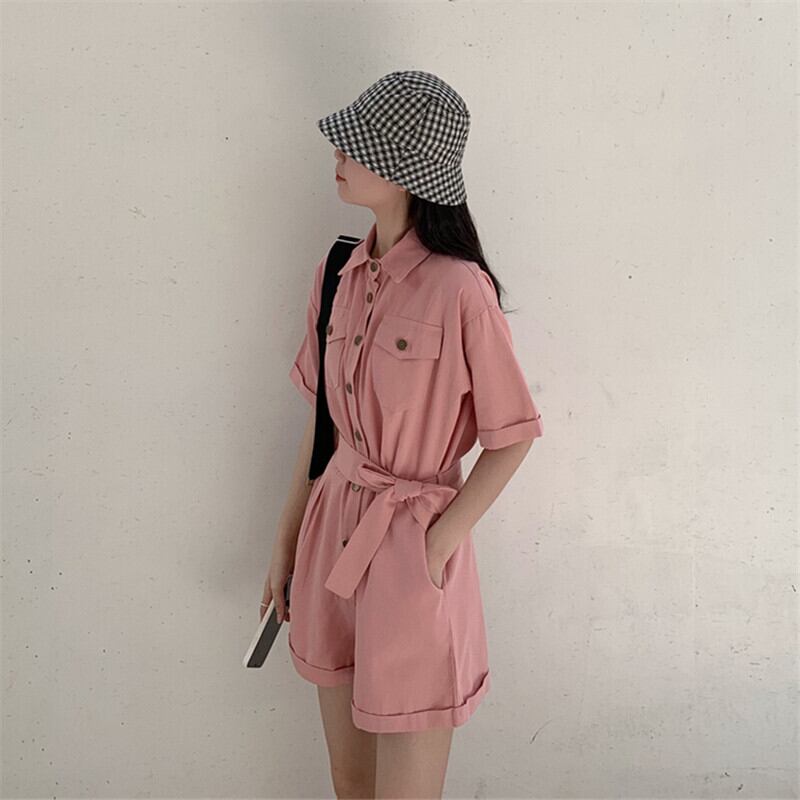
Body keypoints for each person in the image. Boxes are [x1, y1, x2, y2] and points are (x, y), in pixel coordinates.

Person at [262, 70, 544, 799]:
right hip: (330, 537)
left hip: (411, 553)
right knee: (350, 784)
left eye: (358, 146)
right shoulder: (336, 272)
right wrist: (286, 540)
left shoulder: (460, 289)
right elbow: (322, 428)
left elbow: (513, 434)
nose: (338, 154)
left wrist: (438, 546)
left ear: (408, 171)